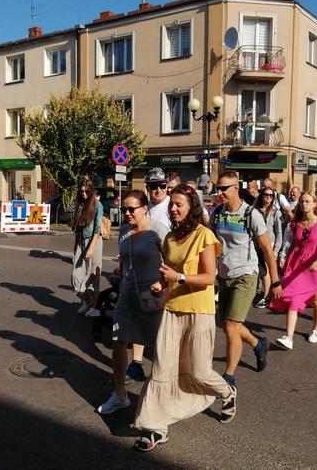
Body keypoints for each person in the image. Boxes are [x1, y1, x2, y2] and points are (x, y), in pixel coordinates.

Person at [133, 185, 234, 451]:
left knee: (199, 371)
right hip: (173, 307)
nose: (174, 208)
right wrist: (161, 283)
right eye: (172, 204)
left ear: (192, 207)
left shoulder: (204, 235)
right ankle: (156, 427)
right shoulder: (169, 238)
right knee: (162, 368)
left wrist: (177, 278)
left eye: (179, 204)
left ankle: (227, 393)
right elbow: (170, 272)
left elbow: (209, 277)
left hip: (199, 310)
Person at [97, 191, 169, 415]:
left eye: (132, 209)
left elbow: (173, 263)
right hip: (127, 295)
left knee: (159, 350)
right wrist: (121, 275)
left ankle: (161, 401)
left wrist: (163, 284)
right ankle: (119, 396)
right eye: (124, 209)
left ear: (144, 208)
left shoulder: (159, 231)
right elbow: (126, 261)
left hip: (153, 297)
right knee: (118, 342)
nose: (126, 213)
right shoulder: (125, 231)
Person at [210, 171, 281, 386]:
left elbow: (267, 250)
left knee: (231, 326)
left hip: (246, 275)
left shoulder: (251, 214)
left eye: (223, 188)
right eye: (217, 188)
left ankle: (229, 377)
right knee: (226, 323)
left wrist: (275, 281)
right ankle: (258, 344)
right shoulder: (216, 213)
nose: (219, 192)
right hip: (224, 275)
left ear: (235, 188)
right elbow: (209, 243)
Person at [271, 192, 317, 348]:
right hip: (296, 264)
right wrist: (283, 256)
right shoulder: (296, 223)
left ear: (314, 204)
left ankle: (315, 329)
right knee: (293, 299)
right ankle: (288, 338)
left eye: (307, 201)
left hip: (314, 266)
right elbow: (290, 242)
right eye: (302, 201)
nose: (304, 204)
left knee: (316, 301)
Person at [70, 177, 103, 318]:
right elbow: (77, 228)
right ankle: (87, 300)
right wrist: (75, 246)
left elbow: (97, 229)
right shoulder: (79, 204)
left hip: (94, 241)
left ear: (91, 191)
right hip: (81, 241)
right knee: (76, 275)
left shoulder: (97, 204)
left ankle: (94, 307)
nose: (84, 194)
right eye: (81, 191)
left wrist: (91, 248)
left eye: (86, 191)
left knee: (93, 274)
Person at [252, 185, 283, 308]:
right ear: (261, 196)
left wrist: (276, 249)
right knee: (261, 271)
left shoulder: (276, 212)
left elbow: (279, 232)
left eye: (271, 195)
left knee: (266, 271)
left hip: (269, 245)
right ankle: (266, 294)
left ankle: (265, 297)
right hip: (256, 245)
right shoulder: (254, 210)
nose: (268, 197)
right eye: (266, 194)